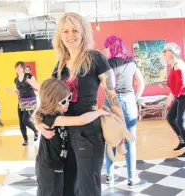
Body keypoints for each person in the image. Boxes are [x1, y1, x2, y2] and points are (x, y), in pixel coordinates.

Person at [36, 12, 124, 196]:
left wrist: (121, 126)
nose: (70, 36)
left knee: (88, 187)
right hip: (64, 133)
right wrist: (40, 123)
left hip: (89, 132)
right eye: (65, 31)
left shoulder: (95, 58)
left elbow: (112, 95)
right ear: (60, 35)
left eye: (75, 30)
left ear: (83, 32)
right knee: (67, 187)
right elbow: (48, 100)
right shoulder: (59, 65)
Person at [34, 78, 110, 196]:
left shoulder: (60, 112)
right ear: (52, 102)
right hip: (48, 167)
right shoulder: (50, 118)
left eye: (69, 97)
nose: (68, 103)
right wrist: (99, 112)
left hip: (58, 164)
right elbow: (80, 120)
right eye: (64, 101)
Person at [103, 35, 146, 188]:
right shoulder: (132, 63)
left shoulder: (107, 64)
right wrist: (134, 99)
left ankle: (109, 176)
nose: (104, 50)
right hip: (128, 101)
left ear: (113, 48)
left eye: (106, 47)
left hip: (111, 101)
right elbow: (141, 83)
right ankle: (131, 179)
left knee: (110, 139)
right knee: (130, 141)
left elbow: (105, 86)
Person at [6, 61, 39, 146]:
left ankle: (35, 131)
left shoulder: (29, 76)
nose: (18, 69)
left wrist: (32, 83)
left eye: (20, 67)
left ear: (23, 68)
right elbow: (17, 93)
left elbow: (37, 86)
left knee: (25, 120)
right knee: (21, 122)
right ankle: (25, 140)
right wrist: (11, 91)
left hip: (31, 101)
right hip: (21, 102)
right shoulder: (16, 80)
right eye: (17, 67)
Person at [162, 43, 185, 156]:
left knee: (180, 122)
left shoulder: (179, 64)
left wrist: (170, 97)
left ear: (171, 52)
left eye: (165, 51)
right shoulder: (173, 65)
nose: (163, 53)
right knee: (171, 118)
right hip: (179, 96)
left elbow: (181, 84)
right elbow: (175, 83)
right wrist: (166, 86)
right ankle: (182, 140)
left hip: (183, 96)